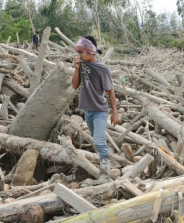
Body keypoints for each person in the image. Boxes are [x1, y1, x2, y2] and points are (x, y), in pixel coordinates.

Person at [71, 35, 119, 185]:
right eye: (77, 51)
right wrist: (76, 69)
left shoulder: (102, 70)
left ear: (90, 51)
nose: (78, 55)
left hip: (99, 111)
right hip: (87, 111)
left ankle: (105, 175)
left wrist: (115, 113)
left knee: (99, 140)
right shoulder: (82, 65)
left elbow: (110, 92)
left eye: (81, 52)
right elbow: (74, 85)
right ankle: (105, 160)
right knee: (96, 140)